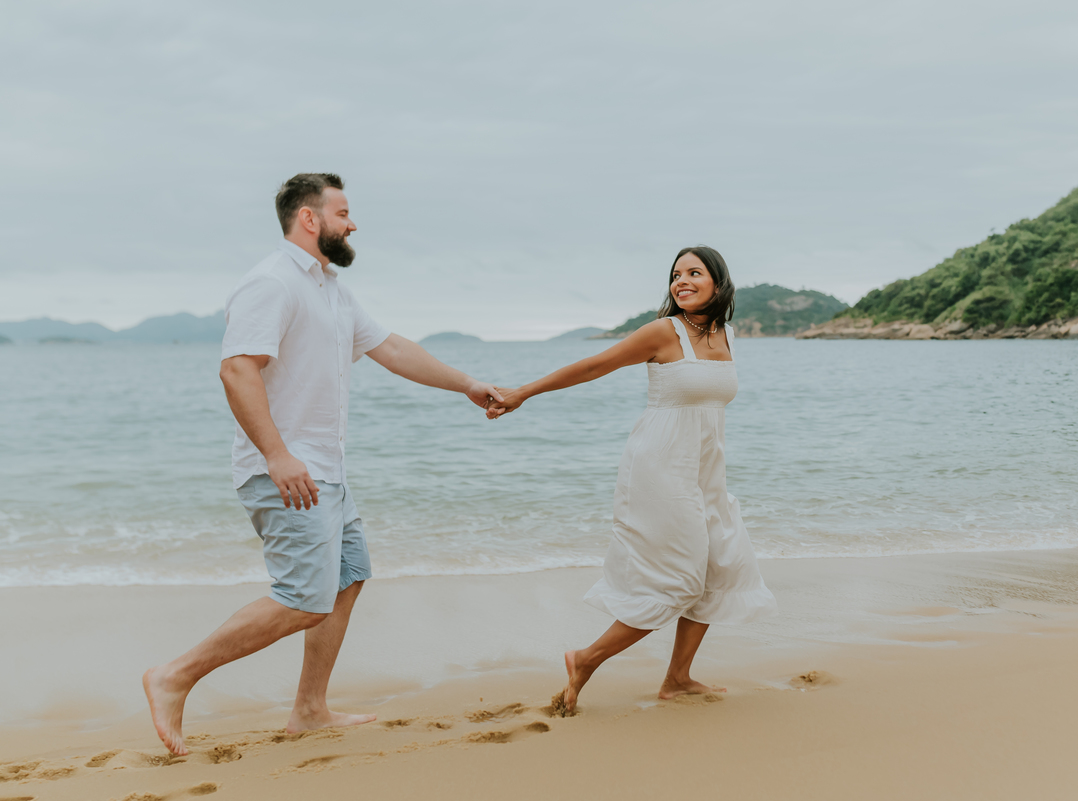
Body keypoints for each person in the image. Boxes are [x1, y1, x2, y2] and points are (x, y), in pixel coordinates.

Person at [142, 173, 504, 755]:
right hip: (285, 470)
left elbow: (390, 348)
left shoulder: (330, 288)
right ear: (309, 219)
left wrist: (466, 384)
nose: (352, 223)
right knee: (304, 596)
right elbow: (237, 369)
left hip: (326, 471)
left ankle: (310, 709)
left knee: (348, 575)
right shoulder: (272, 282)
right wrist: (278, 455)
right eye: (343, 212)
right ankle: (173, 676)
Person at [487, 246, 776, 713]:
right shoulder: (664, 332)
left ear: (718, 284)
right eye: (675, 275)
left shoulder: (727, 334)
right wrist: (523, 392)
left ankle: (677, 679)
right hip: (660, 469)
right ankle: (585, 659)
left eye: (693, 273)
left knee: (722, 566)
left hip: (706, 472)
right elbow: (593, 366)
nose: (681, 281)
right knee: (679, 580)